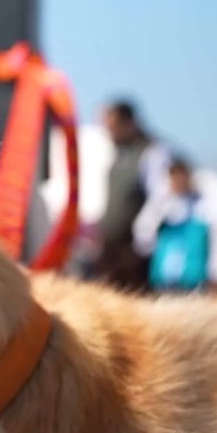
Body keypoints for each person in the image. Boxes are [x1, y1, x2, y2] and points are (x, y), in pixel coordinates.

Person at [90, 100, 172, 291]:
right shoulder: (117, 153)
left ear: (128, 123)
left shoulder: (152, 152)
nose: (108, 132)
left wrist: (144, 231)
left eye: (112, 126)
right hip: (110, 246)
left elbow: (160, 196)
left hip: (133, 248)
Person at [133, 157, 217, 294]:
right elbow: (143, 240)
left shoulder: (208, 207)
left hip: (196, 283)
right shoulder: (160, 206)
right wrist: (158, 209)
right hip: (163, 281)